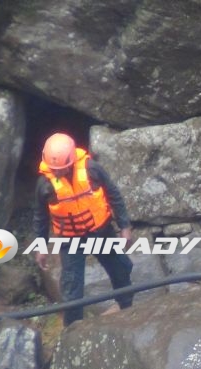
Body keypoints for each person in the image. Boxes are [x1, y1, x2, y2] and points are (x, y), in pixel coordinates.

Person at [33, 133, 134, 326]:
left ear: (71, 162)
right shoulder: (45, 184)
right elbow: (40, 217)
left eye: (60, 169)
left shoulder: (92, 169)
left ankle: (127, 309)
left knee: (121, 269)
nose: (56, 173)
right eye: (53, 169)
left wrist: (124, 227)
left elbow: (114, 195)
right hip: (70, 239)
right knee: (72, 289)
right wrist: (40, 246)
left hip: (101, 232)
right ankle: (73, 329)